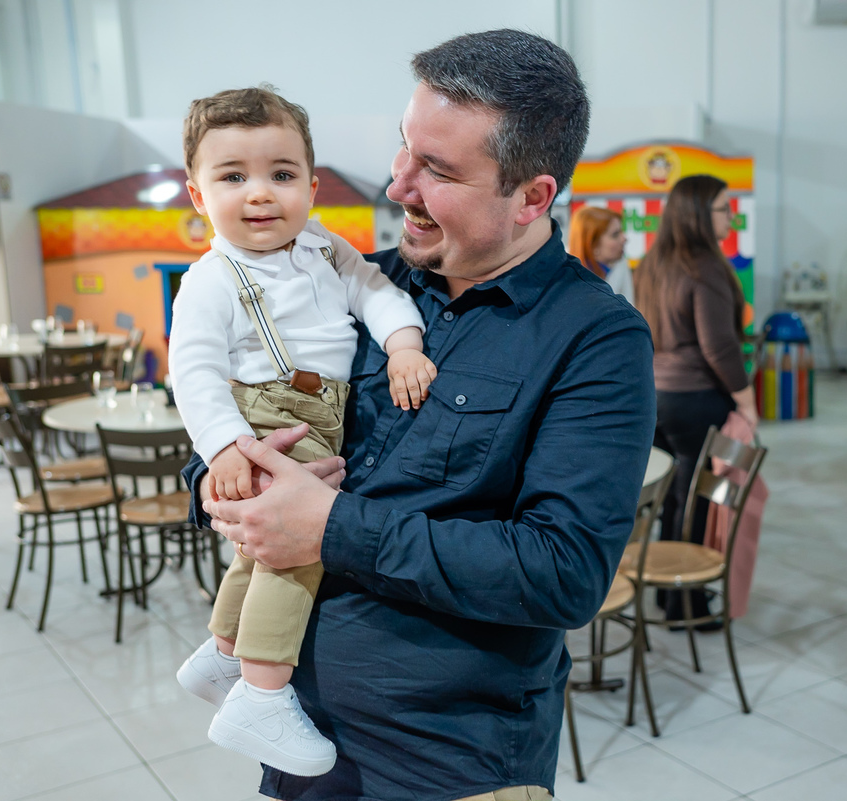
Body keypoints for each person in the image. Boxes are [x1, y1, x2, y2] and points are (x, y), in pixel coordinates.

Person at [182, 29, 655, 801]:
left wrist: (331, 527)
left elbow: (564, 572)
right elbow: (246, 406)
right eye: (406, 148)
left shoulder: (595, 338)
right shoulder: (356, 282)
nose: (398, 185)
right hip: (299, 738)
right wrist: (218, 476)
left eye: (436, 169)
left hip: (448, 765)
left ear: (532, 195)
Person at [168, 86, 437, 777]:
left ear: (311, 187)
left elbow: (378, 292)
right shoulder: (211, 278)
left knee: (260, 548)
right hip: (264, 418)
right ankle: (262, 691)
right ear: (197, 196)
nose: (260, 194)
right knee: (300, 546)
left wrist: (404, 345)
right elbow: (193, 372)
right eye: (233, 177)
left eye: (281, 174)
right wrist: (224, 447)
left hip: (318, 409)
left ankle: (224, 653)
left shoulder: (323, 248)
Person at [634, 174, 757, 624]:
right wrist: (746, 402)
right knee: (698, 499)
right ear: (700, 214)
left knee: (670, 495)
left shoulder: (653, 262)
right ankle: (686, 600)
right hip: (697, 397)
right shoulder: (704, 265)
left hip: (657, 396)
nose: (732, 216)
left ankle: (668, 594)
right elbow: (719, 347)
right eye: (725, 207)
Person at [567, 205, 634, 304]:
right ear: (592, 245)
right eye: (615, 234)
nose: (624, 239)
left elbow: (631, 310)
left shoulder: (620, 264)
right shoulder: (565, 275)